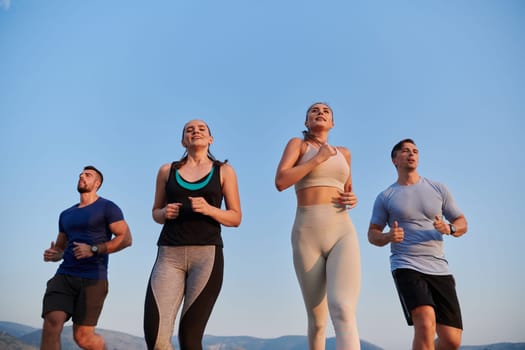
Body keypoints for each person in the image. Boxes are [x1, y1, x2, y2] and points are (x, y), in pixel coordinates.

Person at [144, 119, 242, 350]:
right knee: (156, 339)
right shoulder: (167, 170)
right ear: (183, 140)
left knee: (189, 339)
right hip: (169, 255)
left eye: (201, 129)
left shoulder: (224, 171)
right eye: (189, 129)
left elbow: (236, 217)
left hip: (207, 256)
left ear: (210, 139)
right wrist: (164, 212)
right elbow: (155, 213)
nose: (195, 131)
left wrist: (209, 209)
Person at [275, 102, 361, 350]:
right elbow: (281, 181)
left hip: (342, 230)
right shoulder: (298, 145)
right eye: (314, 111)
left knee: (343, 308)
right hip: (307, 232)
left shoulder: (344, 153)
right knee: (318, 322)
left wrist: (352, 198)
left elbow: (348, 190)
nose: (320, 112)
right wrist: (317, 159)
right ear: (306, 123)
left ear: (332, 123)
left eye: (326, 111)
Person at [368, 138, 468, 350]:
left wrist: (449, 228)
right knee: (424, 321)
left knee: (452, 341)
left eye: (415, 151)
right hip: (406, 265)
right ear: (395, 160)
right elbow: (372, 234)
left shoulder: (438, 188)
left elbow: (462, 223)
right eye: (405, 151)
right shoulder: (386, 196)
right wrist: (388, 237)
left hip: (439, 268)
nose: (411, 154)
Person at [41, 165, 133, 350]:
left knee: (83, 337)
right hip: (65, 275)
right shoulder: (66, 214)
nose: (82, 176)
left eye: (88, 175)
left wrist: (94, 249)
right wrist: (55, 254)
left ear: (97, 183)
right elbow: (61, 246)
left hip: (93, 279)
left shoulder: (108, 207)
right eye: (81, 174)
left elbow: (126, 239)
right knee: (52, 322)